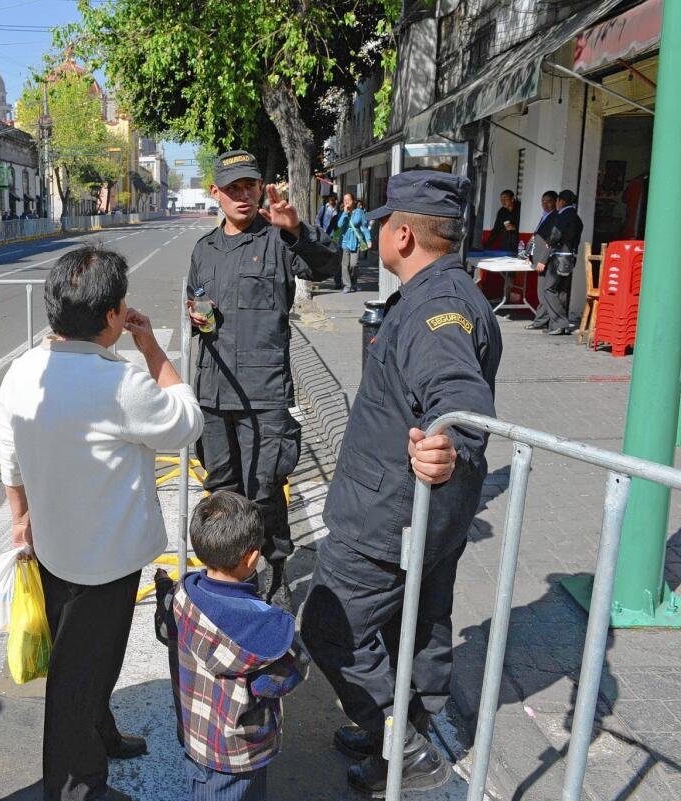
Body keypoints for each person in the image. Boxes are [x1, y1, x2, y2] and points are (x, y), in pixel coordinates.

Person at [300, 170, 502, 795]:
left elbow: (461, 399)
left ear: (405, 235)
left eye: (387, 221)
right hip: (420, 508)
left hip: (385, 512)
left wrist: (452, 447)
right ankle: (396, 729)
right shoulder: (445, 293)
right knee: (412, 627)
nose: (380, 229)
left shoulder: (435, 309)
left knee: (331, 629)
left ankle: (407, 752)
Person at [0, 245, 203, 801]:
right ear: (112, 315)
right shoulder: (121, 386)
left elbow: (7, 452)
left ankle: (101, 733)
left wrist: (20, 520)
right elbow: (186, 422)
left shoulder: (23, 372)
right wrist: (152, 347)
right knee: (75, 680)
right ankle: (75, 786)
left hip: (53, 546)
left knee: (91, 664)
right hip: (103, 560)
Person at [185, 149, 338, 611]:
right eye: (232, 188)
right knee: (222, 489)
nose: (243, 195)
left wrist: (296, 230)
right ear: (216, 193)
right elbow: (197, 304)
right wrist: (197, 317)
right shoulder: (203, 250)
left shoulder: (277, 240)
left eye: (249, 186)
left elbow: (326, 266)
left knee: (266, 489)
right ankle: (227, 573)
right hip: (214, 392)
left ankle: (273, 572)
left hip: (265, 394)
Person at [170, 491, 301, 801]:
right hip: (241, 750)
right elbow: (284, 677)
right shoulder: (268, 625)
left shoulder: (182, 596)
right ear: (252, 558)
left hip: (198, 736)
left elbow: (166, 629)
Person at [534, 189, 583, 336]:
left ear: (561, 201)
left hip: (558, 257)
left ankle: (560, 323)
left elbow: (555, 235)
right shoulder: (577, 218)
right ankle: (556, 325)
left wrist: (545, 254)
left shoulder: (562, 215)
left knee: (548, 290)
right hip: (570, 257)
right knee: (561, 291)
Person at [524, 191, 559, 330]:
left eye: (548, 201)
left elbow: (550, 242)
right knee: (542, 292)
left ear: (556, 202)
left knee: (543, 292)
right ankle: (543, 320)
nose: (545, 204)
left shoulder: (555, 218)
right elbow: (536, 237)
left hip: (546, 261)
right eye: (543, 201)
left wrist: (542, 260)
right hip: (538, 258)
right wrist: (528, 253)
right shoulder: (545, 216)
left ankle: (541, 321)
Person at [334, 191, 372, 293]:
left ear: (353, 201)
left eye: (348, 200)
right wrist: (345, 213)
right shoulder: (342, 213)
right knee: (345, 265)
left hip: (355, 240)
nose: (346, 202)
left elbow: (364, 227)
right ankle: (347, 285)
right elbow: (339, 225)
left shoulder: (359, 212)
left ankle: (354, 283)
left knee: (354, 265)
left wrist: (368, 239)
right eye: (345, 200)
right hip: (345, 241)